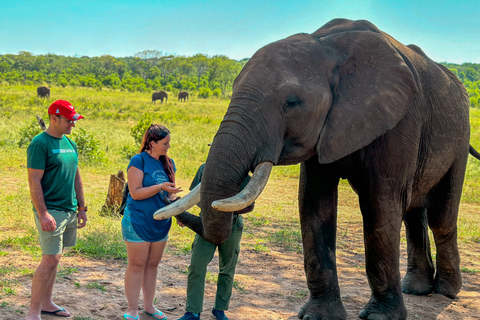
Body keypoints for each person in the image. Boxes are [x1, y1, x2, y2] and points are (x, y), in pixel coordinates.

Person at [26, 100, 88, 320]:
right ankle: (33, 311)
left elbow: (76, 177)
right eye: (69, 120)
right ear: (55, 119)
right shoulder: (40, 144)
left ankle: (47, 303)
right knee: (50, 259)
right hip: (51, 210)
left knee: (56, 258)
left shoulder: (70, 142)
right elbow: (34, 181)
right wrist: (43, 213)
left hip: (69, 209)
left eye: (74, 120)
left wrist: (81, 207)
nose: (73, 124)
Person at [176, 163, 254, 320]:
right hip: (206, 223)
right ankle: (192, 311)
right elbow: (194, 196)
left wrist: (224, 208)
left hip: (232, 224)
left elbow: (249, 205)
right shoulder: (204, 168)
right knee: (197, 265)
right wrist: (185, 216)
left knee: (227, 268)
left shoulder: (241, 171)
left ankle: (220, 309)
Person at [122, 124, 182, 320]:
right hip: (138, 220)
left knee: (153, 265)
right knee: (137, 264)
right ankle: (132, 309)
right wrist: (159, 187)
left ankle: (149, 306)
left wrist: (178, 208)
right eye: (165, 143)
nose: (168, 147)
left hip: (160, 222)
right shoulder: (138, 161)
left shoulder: (169, 163)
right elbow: (135, 193)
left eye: (168, 143)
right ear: (152, 143)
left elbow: (169, 195)